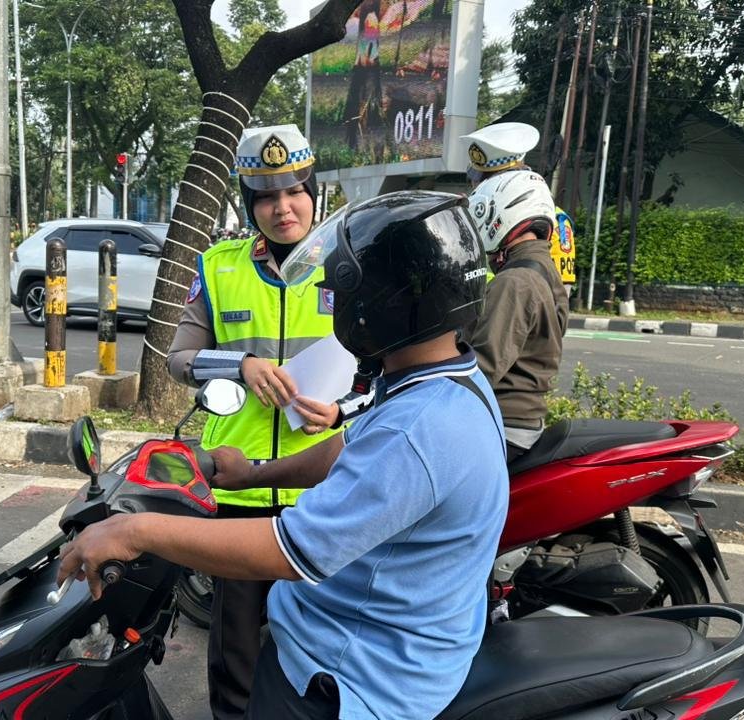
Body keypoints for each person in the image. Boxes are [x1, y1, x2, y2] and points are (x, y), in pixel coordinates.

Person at [57, 190, 508, 720]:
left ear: (383, 305)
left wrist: (135, 531)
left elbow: (289, 551)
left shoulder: (419, 428)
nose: (337, 303)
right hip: (347, 637)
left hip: (346, 678)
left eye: (345, 293)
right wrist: (253, 475)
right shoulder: (442, 380)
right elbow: (349, 447)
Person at [165, 124, 343, 720]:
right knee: (234, 649)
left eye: (294, 192)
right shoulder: (219, 268)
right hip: (238, 488)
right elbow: (179, 359)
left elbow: (384, 368)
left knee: (319, 648)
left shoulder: (349, 264)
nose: (282, 208)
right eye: (266, 197)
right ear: (249, 204)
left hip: (324, 490)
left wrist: (344, 409)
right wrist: (240, 364)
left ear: (313, 191)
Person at [467, 170, 569, 461]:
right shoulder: (545, 270)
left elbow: (481, 367)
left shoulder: (515, 281)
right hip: (523, 422)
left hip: (501, 423)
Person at [461, 122, 577, 286]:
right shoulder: (481, 213)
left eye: (484, 181)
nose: (475, 186)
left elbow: (559, 290)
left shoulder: (554, 221)